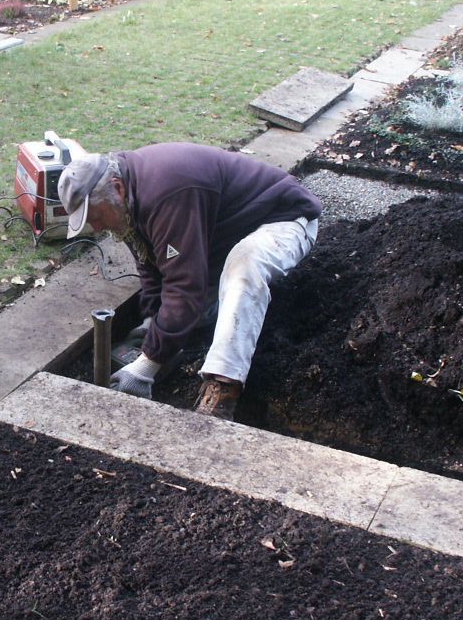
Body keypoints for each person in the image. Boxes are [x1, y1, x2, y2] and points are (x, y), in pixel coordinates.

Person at [57, 143, 323, 420]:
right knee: (197, 320)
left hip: (284, 220)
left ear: (117, 188)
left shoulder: (167, 192)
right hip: (224, 235)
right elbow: (151, 265)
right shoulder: (126, 194)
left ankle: (223, 388)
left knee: (243, 268)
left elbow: (185, 288)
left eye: (96, 217)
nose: (97, 228)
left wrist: (145, 367)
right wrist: (152, 322)